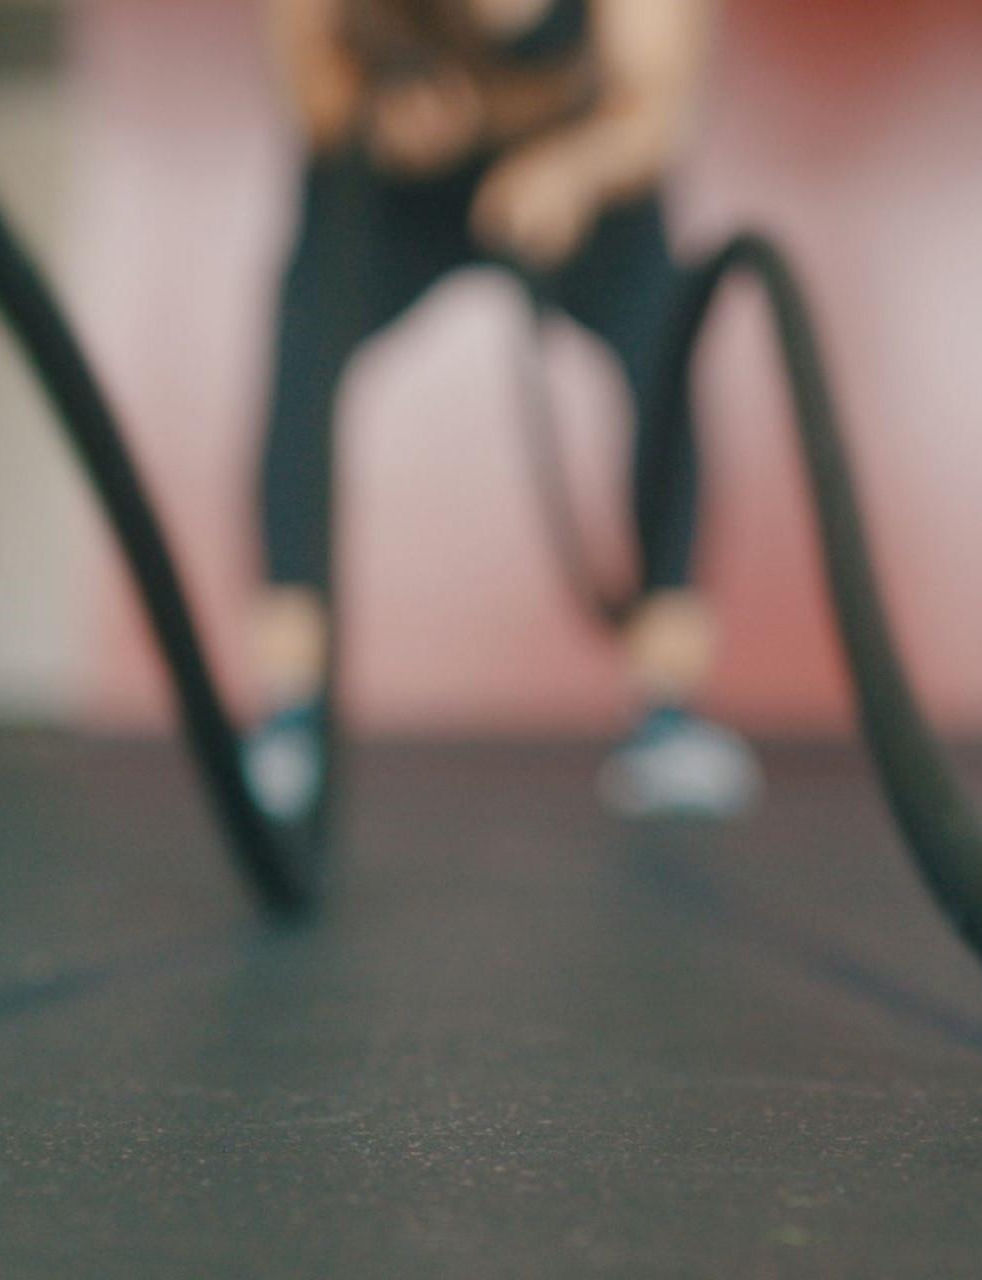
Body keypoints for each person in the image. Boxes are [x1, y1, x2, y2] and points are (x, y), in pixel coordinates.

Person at [248, 0, 760, 818]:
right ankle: (291, 710)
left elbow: (657, 115)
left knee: (667, 354)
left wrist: (572, 171)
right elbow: (311, 85)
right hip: (392, 182)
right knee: (302, 345)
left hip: (582, 174)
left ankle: (668, 713)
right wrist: (383, 119)